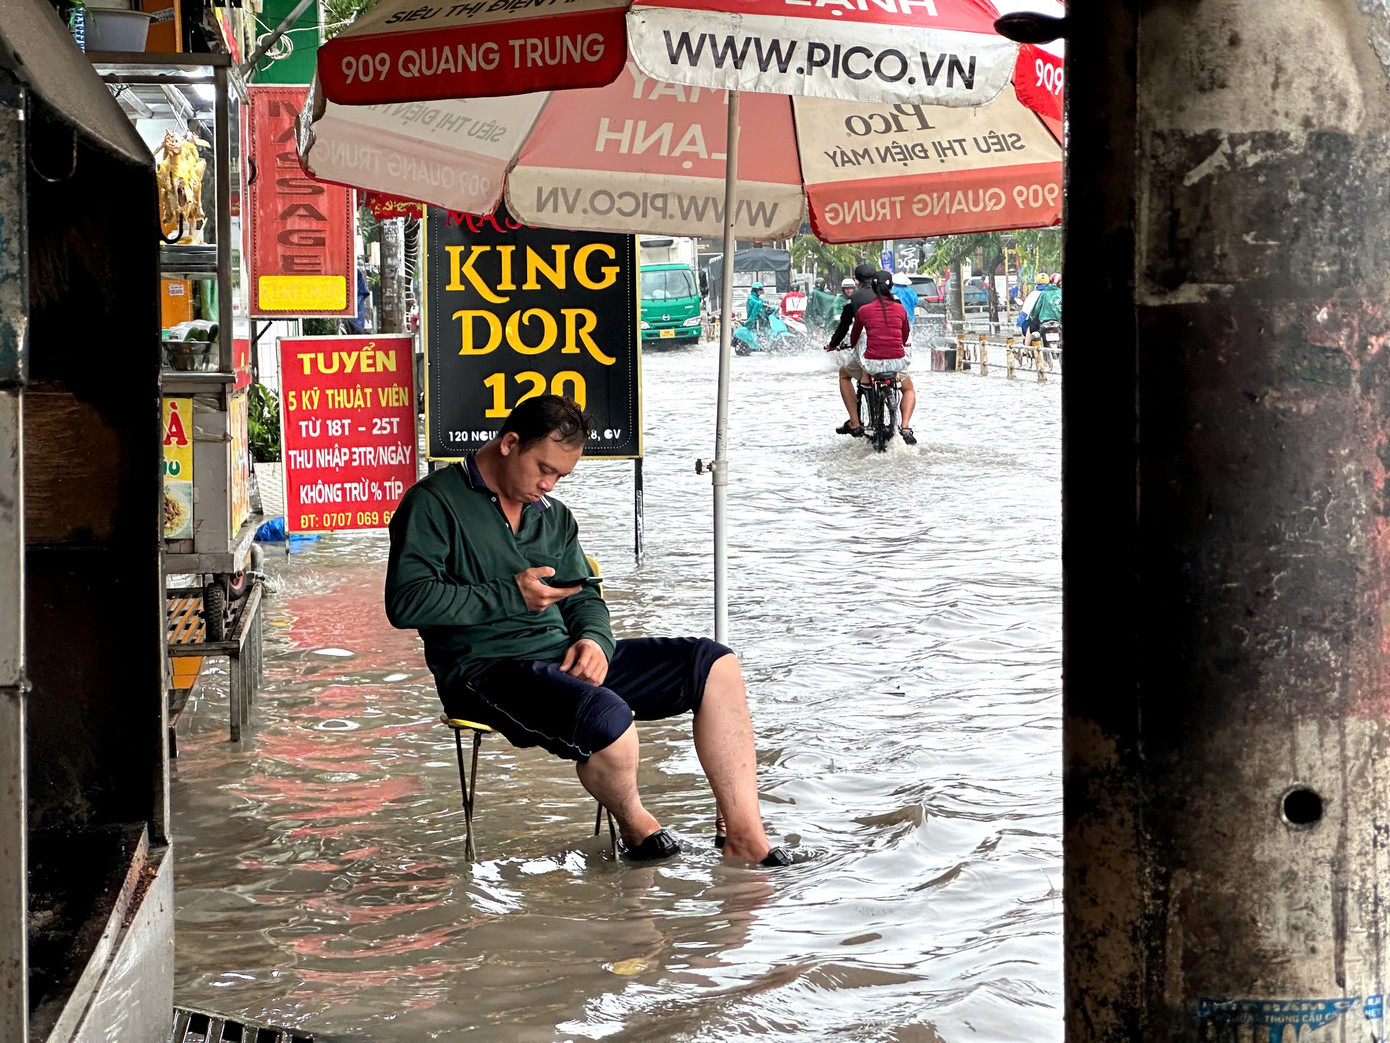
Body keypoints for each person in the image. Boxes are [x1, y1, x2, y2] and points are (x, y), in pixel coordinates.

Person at [384, 395, 790, 867]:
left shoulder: (552, 515)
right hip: (485, 671)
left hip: (562, 657)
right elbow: (405, 603)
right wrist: (507, 594)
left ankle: (746, 838)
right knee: (610, 720)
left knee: (714, 664)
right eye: (543, 468)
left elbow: (584, 596)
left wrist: (595, 640)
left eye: (560, 476)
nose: (548, 485)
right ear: (509, 443)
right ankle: (639, 828)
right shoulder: (433, 503)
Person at [847, 270, 917, 444]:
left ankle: (865, 388)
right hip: (896, 364)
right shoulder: (900, 309)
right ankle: (906, 426)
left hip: (872, 365)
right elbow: (904, 337)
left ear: (872, 287)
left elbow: (854, 338)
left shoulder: (864, 311)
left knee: (855, 359)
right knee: (908, 389)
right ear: (891, 288)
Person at [824, 264, 879, 437]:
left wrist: (833, 345)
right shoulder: (890, 297)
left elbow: (845, 328)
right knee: (905, 387)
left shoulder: (854, 301)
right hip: (894, 354)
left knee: (844, 373)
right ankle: (905, 425)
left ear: (857, 282)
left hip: (867, 351)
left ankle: (854, 422)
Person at [1029, 273, 1062, 340]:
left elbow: (1036, 308)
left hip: (1045, 321)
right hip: (1059, 322)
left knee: (1034, 333)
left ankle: (1027, 349)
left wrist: (1033, 315)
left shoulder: (1043, 293)